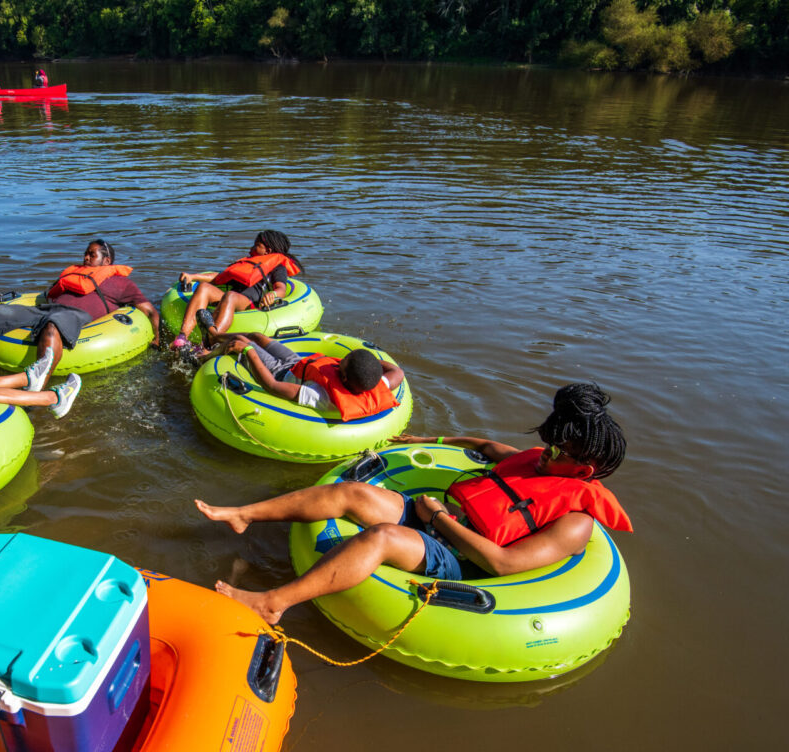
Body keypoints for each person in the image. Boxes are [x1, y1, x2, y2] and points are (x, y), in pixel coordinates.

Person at [200, 383, 631, 624]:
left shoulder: (576, 523)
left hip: (465, 556)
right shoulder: (538, 463)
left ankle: (273, 603)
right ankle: (242, 515)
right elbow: (482, 444)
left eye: (560, 451)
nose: (549, 453)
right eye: (551, 444)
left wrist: (439, 519)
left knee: (383, 537)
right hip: (439, 519)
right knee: (352, 492)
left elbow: (501, 563)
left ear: (586, 469)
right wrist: (426, 440)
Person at [0, 239, 161, 389]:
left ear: (107, 261)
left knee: (53, 324)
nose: (86, 257)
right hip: (45, 310)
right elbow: (48, 296)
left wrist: (157, 338)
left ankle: (36, 388)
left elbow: (150, 311)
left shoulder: (120, 282)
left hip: (76, 315)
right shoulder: (74, 274)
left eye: (92, 254)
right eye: (86, 253)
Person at [214, 333, 404, 419]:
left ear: (344, 377)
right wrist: (368, 362)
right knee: (258, 336)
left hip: (280, 373)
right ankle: (215, 335)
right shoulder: (377, 383)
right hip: (297, 363)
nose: (339, 360)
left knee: (241, 341)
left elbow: (272, 385)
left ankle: (204, 355)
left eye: (344, 361)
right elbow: (398, 372)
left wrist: (248, 351)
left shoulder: (322, 396)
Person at [170, 230, 302, 353]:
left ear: (267, 250)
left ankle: (207, 346)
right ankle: (181, 339)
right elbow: (219, 278)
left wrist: (272, 294)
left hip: (250, 303)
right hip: (230, 298)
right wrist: (193, 277)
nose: (251, 249)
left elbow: (281, 289)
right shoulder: (247, 263)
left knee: (230, 296)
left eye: (256, 245)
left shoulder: (277, 266)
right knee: (204, 287)